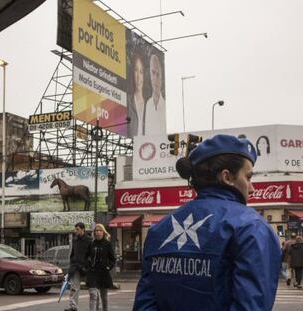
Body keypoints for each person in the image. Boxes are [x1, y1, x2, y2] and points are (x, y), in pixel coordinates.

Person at [133, 134, 281, 311]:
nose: (252, 188)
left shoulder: (160, 228)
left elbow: (145, 304)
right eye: (248, 177)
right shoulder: (251, 227)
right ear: (227, 177)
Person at [87, 224, 116, 311]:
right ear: (94, 233)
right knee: (93, 294)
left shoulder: (107, 244)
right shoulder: (91, 244)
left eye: (100, 230)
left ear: (103, 232)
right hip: (93, 272)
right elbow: (86, 257)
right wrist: (88, 266)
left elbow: (112, 259)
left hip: (103, 272)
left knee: (104, 296)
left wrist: (108, 267)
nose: (98, 232)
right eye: (96, 230)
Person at [66, 222, 93, 311]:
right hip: (75, 267)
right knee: (74, 288)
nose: (75, 231)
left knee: (92, 288)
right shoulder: (75, 239)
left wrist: (88, 265)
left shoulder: (89, 240)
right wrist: (72, 263)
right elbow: (73, 253)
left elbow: (91, 255)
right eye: (75, 229)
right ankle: (73, 307)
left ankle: (94, 308)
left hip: (86, 267)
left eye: (77, 229)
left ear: (83, 229)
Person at [144, 53, 166, 135]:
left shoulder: (165, 106)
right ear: (150, 74)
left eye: (158, 74)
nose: (155, 79)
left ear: (161, 78)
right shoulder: (148, 105)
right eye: (153, 73)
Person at [128, 52, 146, 137]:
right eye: (136, 70)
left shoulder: (149, 105)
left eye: (141, 72)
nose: (138, 76)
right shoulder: (128, 101)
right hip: (132, 147)